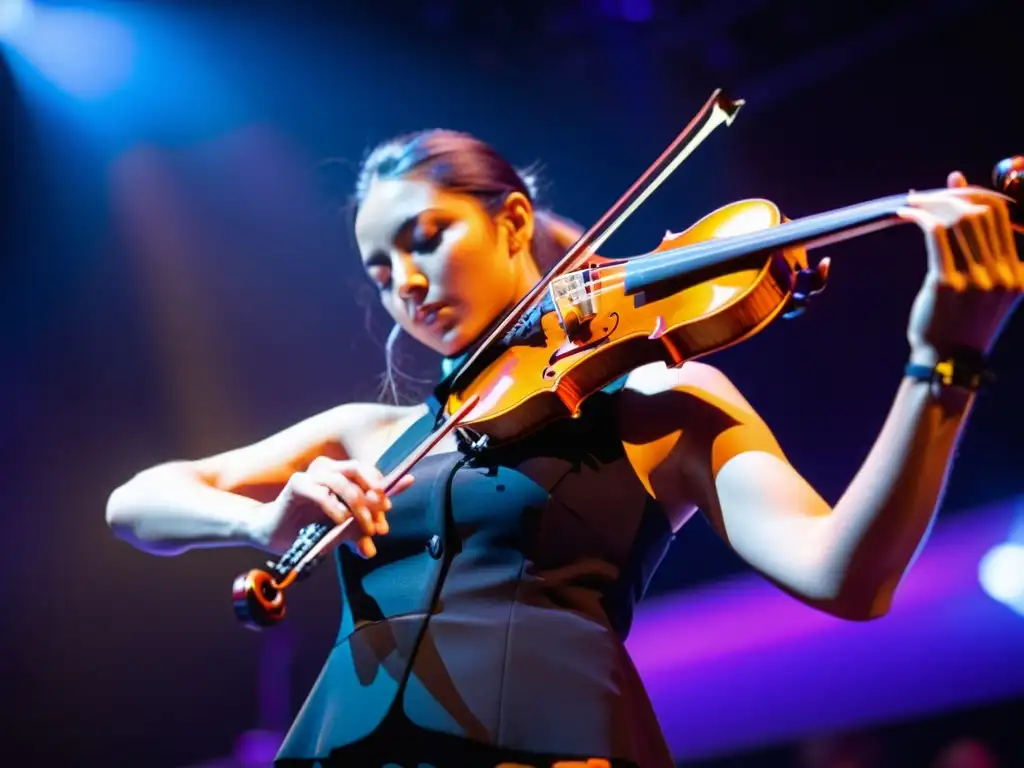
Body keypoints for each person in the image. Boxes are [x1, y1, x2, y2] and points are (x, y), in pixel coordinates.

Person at [106, 129, 1022, 768]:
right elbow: (139, 502)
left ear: (511, 221)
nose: (407, 286)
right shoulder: (375, 433)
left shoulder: (661, 396)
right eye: (380, 272)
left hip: (551, 750)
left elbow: (845, 576)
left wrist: (944, 360)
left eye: (427, 240)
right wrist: (259, 518)